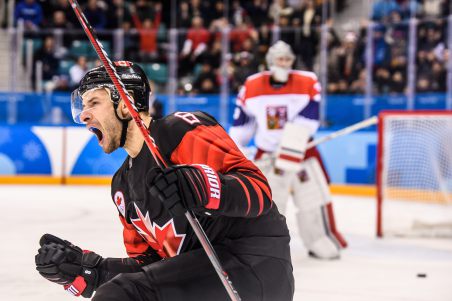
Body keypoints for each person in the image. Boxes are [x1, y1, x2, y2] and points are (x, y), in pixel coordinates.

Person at [34, 61, 294, 301]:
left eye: (93, 102)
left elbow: (258, 192)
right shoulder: (122, 186)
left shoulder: (179, 130)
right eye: (83, 106)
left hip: (253, 264)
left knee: (121, 295)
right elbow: (152, 267)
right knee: (119, 290)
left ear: (126, 103)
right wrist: (92, 272)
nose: (84, 116)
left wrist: (201, 185)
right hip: (204, 273)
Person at [229, 41, 347, 260]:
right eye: (280, 59)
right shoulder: (252, 86)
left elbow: (310, 117)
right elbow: (243, 123)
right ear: (270, 61)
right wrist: (240, 149)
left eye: (288, 59)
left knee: (312, 199)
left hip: (301, 152)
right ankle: (267, 244)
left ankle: (318, 239)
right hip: (269, 156)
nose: (284, 64)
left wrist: (290, 145)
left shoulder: (307, 81)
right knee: (271, 204)